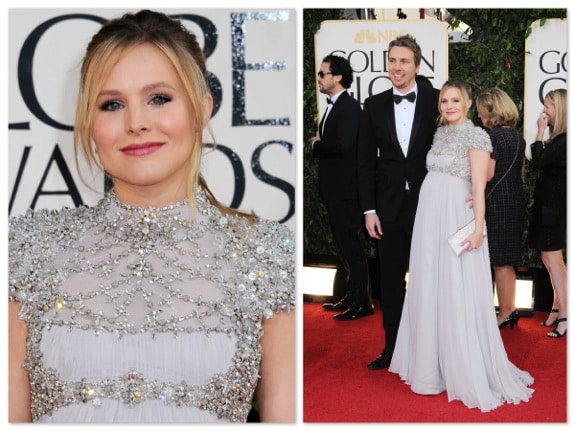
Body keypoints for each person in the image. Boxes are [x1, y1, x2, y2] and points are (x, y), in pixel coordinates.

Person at [9, 10, 295, 423]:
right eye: (111, 104)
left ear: (202, 108)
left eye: (158, 98)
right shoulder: (28, 249)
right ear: (89, 122)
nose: (136, 123)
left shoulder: (266, 256)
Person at [389, 79, 534, 412]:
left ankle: (461, 365)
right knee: (429, 285)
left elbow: (480, 188)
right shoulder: (440, 134)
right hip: (430, 220)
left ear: (468, 103)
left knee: (456, 287)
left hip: (456, 218)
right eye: (444, 101)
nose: (449, 106)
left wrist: (479, 228)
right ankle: (429, 365)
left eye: (455, 100)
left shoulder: (477, 136)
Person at [357, 34, 440, 369]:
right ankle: (393, 349)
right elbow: (364, 161)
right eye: (392, 61)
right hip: (387, 208)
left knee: (431, 280)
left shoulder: (437, 100)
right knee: (390, 281)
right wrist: (368, 209)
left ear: (417, 65)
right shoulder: (374, 105)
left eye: (404, 61)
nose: (397, 67)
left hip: (430, 203)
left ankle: (432, 351)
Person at [309, 54, 373, 320]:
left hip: (346, 191)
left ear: (337, 77)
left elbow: (344, 145)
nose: (319, 78)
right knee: (344, 246)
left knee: (351, 246)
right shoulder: (336, 105)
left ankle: (363, 302)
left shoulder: (348, 107)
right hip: (336, 189)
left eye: (323, 74)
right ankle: (351, 295)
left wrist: (316, 144)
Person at [476, 88, 526, 329]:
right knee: (506, 260)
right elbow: (521, 172)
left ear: (490, 111)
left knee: (500, 261)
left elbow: (487, 174)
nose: (479, 118)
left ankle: (505, 312)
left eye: (481, 113)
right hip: (514, 200)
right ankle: (510, 309)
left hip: (498, 203)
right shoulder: (517, 136)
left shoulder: (494, 138)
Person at [527, 88, 567, 338]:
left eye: (548, 106)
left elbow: (538, 160)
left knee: (553, 260)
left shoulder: (565, 140)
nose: (544, 111)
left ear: (559, 109)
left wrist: (539, 131)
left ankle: (565, 314)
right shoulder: (560, 139)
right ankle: (557, 306)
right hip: (549, 206)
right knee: (550, 260)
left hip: (555, 208)